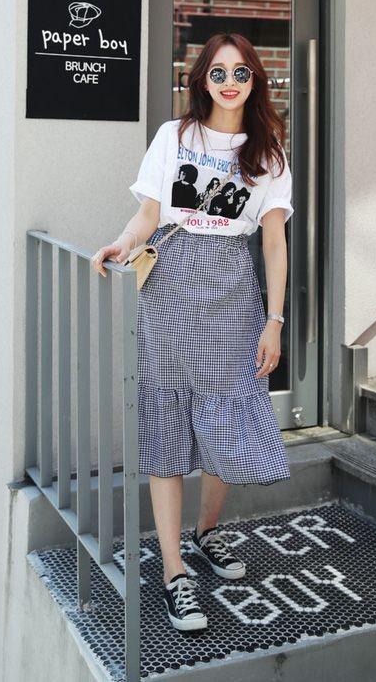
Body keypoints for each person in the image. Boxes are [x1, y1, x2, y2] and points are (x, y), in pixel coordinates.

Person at [90, 32, 293, 632]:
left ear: (255, 81)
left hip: (232, 289)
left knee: (225, 415)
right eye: (218, 72)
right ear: (202, 78)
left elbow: (274, 243)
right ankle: (174, 571)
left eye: (241, 73)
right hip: (171, 285)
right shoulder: (175, 136)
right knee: (167, 416)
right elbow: (150, 214)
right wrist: (123, 243)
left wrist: (275, 320)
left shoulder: (269, 152)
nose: (229, 83)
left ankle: (207, 532)